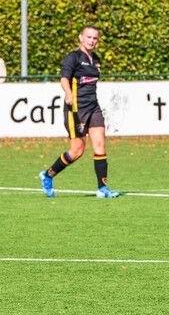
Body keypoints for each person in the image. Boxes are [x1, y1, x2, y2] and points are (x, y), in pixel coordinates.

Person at [37, 26, 119, 199]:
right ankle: (48, 174)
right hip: (76, 109)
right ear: (81, 37)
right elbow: (64, 78)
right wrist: (68, 93)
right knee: (77, 151)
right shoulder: (72, 57)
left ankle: (103, 188)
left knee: (100, 145)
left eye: (95, 38)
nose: (91, 41)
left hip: (93, 107)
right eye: (88, 37)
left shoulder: (96, 60)